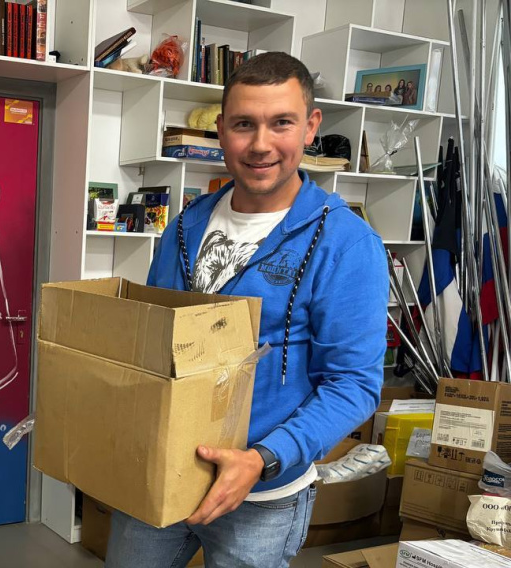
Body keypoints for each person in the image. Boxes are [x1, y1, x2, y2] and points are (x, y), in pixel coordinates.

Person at [105, 52, 388, 568]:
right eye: (243, 124)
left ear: (310, 127)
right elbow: (154, 341)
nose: (260, 144)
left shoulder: (346, 243)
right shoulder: (184, 226)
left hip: (264, 495)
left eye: (281, 122)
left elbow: (354, 384)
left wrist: (264, 458)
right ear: (221, 130)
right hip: (166, 470)